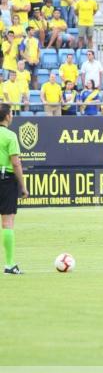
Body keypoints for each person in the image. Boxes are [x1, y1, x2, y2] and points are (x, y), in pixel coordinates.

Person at [0, 103, 28, 274]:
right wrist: (23, 186)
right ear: (8, 116)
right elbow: (15, 162)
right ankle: (9, 264)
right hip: (6, 180)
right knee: (7, 222)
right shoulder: (10, 136)